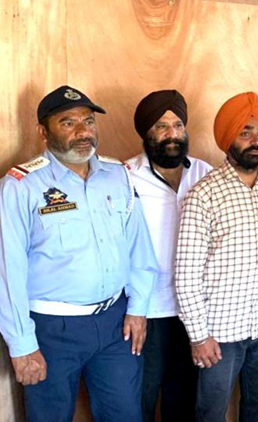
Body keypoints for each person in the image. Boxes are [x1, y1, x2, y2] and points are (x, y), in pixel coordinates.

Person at [0, 85, 158, 421]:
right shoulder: (21, 186)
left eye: (88, 121)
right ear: (43, 132)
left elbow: (138, 247)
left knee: (125, 414)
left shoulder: (118, 175)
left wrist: (138, 308)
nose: (83, 132)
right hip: (51, 330)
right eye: (68, 123)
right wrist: (22, 344)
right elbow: (7, 270)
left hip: (116, 323)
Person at [174, 92, 258, 422]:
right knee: (211, 411)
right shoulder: (203, 194)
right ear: (228, 138)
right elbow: (186, 274)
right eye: (245, 132)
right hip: (219, 333)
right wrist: (198, 336)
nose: (256, 141)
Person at [127, 89, 212, 422]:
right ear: (146, 133)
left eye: (177, 125)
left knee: (184, 398)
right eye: (161, 127)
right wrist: (134, 309)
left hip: (195, 312)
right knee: (141, 398)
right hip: (146, 310)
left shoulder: (205, 174)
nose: (172, 134)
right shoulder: (125, 176)